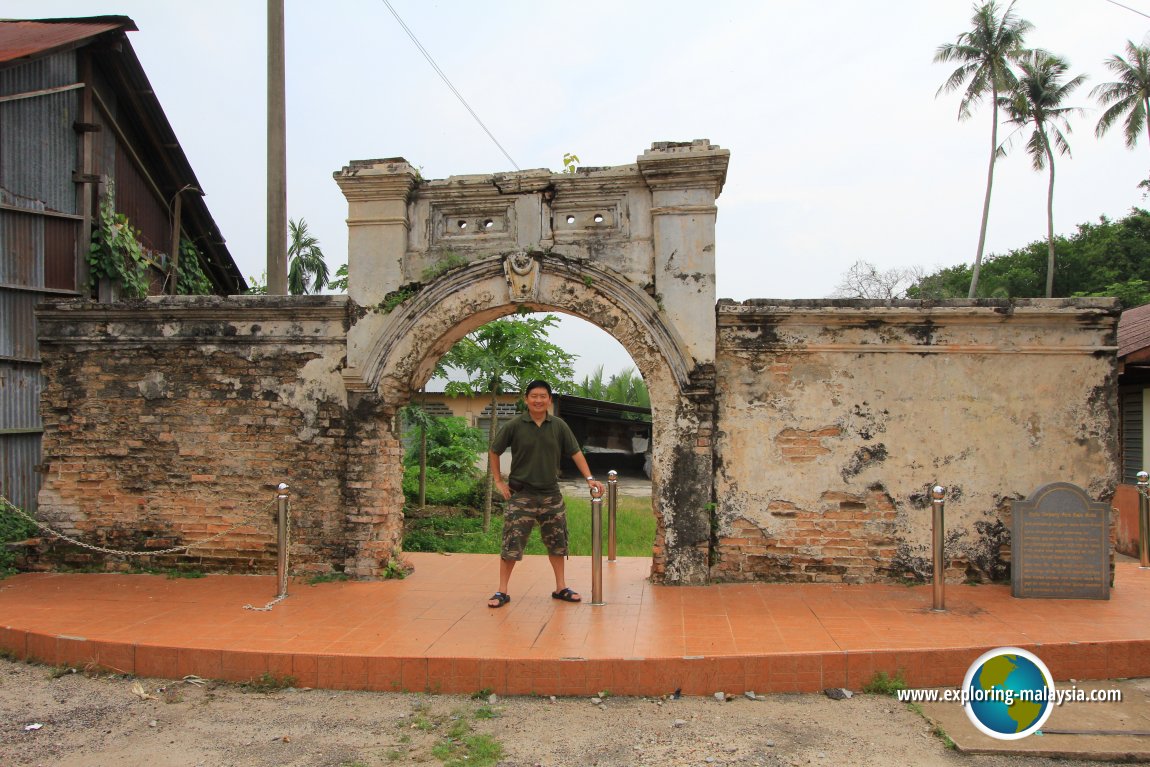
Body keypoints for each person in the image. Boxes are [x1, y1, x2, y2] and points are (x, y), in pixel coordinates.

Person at [486, 379, 603, 608]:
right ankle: (502, 591)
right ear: (526, 399)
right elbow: (494, 450)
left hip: (551, 495)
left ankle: (561, 587)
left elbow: (576, 452)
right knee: (512, 543)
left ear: (549, 399)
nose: (538, 400)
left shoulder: (559, 425)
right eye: (534, 396)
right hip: (521, 495)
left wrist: (590, 479)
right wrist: (498, 480)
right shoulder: (515, 425)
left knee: (558, 543)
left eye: (543, 396)